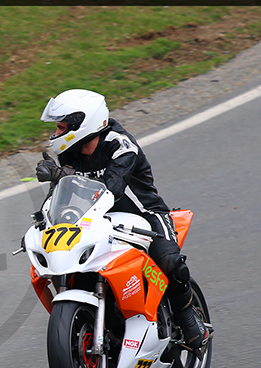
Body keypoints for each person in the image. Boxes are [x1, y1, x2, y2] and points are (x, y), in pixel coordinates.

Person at [35, 88, 208, 351]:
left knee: (169, 262)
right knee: (74, 268)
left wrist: (60, 175)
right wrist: (45, 215)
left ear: (81, 125)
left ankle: (188, 316)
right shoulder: (70, 152)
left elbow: (111, 187)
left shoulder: (120, 144)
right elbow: (64, 195)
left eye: (61, 127)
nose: (55, 134)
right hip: (98, 220)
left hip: (144, 215)